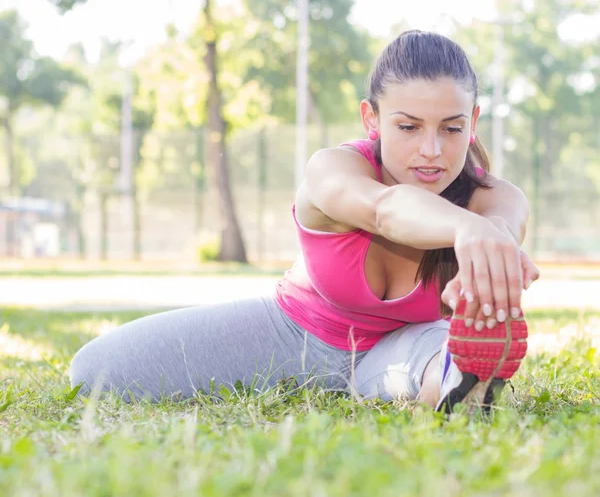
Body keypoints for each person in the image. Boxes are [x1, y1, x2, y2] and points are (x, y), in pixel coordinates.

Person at [70, 30, 539, 413]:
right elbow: (385, 210)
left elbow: (503, 225)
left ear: (473, 122)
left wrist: (491, 263)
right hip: (289, 332)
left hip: (399, 348)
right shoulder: (332, 170)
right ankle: (448, 374)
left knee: (438, 351)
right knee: (94, 371)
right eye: (409, 126)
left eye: (452, 128)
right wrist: (466, 230)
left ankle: (459, 383)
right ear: (371, 119)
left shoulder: (493, 200)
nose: (432, 150)